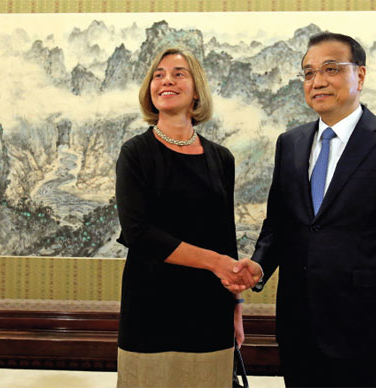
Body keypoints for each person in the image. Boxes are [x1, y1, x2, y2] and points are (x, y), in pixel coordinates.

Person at [230, 32, 376, 387]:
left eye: (331, 69)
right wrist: (259, 264)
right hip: (298, 328)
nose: (317, 81)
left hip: (367, 331)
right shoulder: (290, 143)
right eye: (308, 73)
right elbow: (279, 224)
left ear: (361, 75)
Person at [115, 47, 256, 388]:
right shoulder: (135, 153)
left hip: (210, 311)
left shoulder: (221, 158)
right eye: (159, 74)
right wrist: (216, 263)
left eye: (179, 73)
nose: (166, 80)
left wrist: (235, 305)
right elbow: (138, 233)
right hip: (151, 309)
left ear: (196, 89)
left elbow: (226, 235)